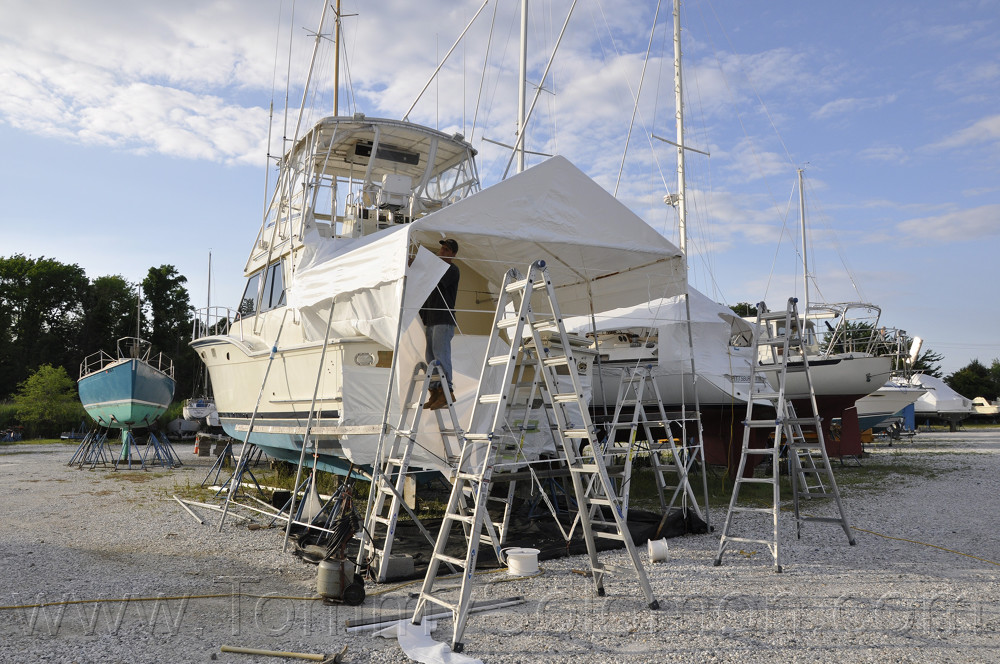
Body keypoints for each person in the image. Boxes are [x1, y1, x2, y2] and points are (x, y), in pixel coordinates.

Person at [420, 238, 460, 410]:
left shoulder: (452, 269)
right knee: (430, 358)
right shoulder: (435, 270)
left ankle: (447, 391)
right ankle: (436, 391)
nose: (442, 251)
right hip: (431, 320)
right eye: (441, 249)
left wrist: (421, 264)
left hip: (443, 320)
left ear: (453, 254)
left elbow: (438, 277)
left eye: (446, 250)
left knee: (440, 355)